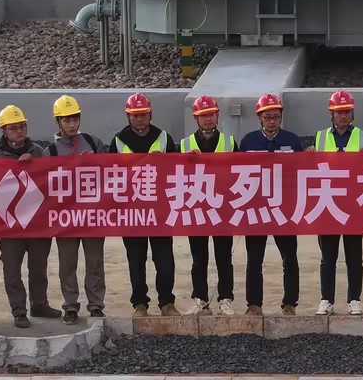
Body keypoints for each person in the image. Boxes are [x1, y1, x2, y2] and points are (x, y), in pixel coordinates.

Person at [0, 105, 56, 328]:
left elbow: (50, 182)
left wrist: (34, 165)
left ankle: (40, 305)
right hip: (11, 227)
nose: (19, 131)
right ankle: (19, 311)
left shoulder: (38, 152)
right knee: (12, 271)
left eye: (22, 127)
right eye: (13, 128)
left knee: (38, 269)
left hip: (37, 224)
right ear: (3, 131)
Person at [113, 92, 178, 317]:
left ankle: (167, 303)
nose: (139, 119)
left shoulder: (164, 138)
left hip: (160, 210)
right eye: (134, 115)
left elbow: (177, 171)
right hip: (132, 212)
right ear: (128, 116)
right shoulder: (118, 140)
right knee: (136, 260)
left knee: (165, 261)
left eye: (143, 115)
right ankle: (140, 304)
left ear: (150, 114)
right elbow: (109, 174)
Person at [238, 93, 303, 316]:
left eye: (276, 117)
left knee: (290, 258)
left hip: (284, 209)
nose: (272, 121)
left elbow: (302, 172)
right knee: (254, 260)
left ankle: (290, 303)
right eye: (267, 117)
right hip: (256, 208)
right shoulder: (248, 142)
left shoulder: (292, 141)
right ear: (259, 118)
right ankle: (254, 304)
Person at [46, 95, 107, 322]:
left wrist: (95, 162)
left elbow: (113, 170)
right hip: (66, 218)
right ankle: (70, 306)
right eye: (67, 120)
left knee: (95, 263)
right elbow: (45, 184)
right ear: (58, 122)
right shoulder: (51, 151)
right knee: (67, 264)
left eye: (75, 119)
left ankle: (96, 305)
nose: (72, 125)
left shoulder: (92, 142)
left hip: (92, 215)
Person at [313, 89, 363, 317]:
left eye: (346, 111)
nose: (343, 116)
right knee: (328, 258)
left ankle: (354, 299)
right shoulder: (319, 138)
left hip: (353, 204)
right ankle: (326, 299)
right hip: (327, 203)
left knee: (354, 257)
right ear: (332, 114)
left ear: (352, 113)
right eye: (339, 112)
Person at [181, 95, 237, 315]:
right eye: (203, 115)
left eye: (211, 114)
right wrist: (184, 160)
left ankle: (225, 298)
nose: (208, 119)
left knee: (224, 257)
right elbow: (174, 175)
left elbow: (241, 173)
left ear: (217, 116)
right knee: (198, 258)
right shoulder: (184, 145)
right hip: (196, 208)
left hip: (222, 208)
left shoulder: (230, 143)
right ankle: (200, 298)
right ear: (196, 118)